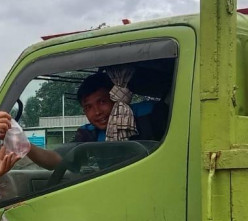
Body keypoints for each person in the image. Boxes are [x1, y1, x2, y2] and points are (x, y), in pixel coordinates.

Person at [26, 71, 168, 169]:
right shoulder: (88, 134)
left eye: (102, 102)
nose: (97, 112)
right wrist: (23, 145)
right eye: (88, 107)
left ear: (116, 98)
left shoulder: (151, 113)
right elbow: (55, 160)